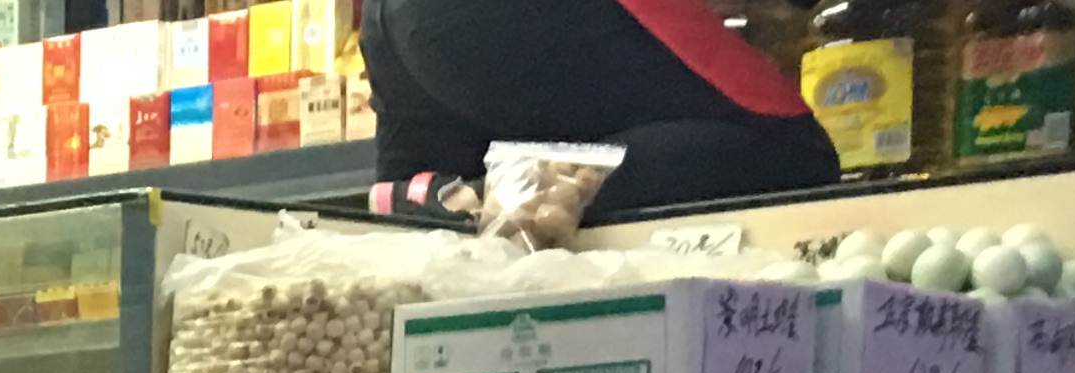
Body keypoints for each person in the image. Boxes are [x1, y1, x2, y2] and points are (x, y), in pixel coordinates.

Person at [359, 0, 842, 223]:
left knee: (412, 233)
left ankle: (447, 199)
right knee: (793, 152)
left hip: (393, 17)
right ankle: (508, 198)